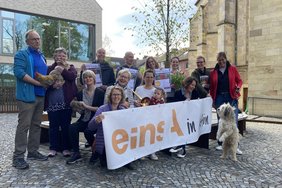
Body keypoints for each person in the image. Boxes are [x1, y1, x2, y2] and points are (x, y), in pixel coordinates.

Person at [12, 29, 48, 169]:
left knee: (36, 125)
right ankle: (18, 157)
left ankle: (33, 152)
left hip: (40, 95)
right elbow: (19, 72)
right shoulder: (22, 54)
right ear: (27, 41)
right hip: (27, 96)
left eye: (38, 38)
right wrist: (38, 83)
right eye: (34, 39)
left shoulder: (41, 55)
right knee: (24, 126)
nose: (37, 41)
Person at [88, 86, 134, 170]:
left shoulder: (123, 109)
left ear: (121, 96)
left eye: (118, 95)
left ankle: (126, 160)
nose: (116, 97)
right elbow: (90, 127)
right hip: (106, 142)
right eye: (114, 94)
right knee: (105, 164)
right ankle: (98, 154)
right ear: (110, 96)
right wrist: (96, 120)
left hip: (119, 141)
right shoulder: (102, 109)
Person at [66, 70, 105, 164]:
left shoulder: (100, 92)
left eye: (90, 77)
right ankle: (76, 152)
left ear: (94, 79)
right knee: (72, 127)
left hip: (95, 120)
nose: (88, 79)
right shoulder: (80, 93)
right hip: (84, 119)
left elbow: (101, 109)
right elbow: (75, 106)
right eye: (85, 77)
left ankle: (96, 151)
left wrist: (86, 106)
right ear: (83, 80)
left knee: (88, 132)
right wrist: (77, 106)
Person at [45, 47, 77, 157]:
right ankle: (53, 148)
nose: (61, 57)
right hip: (53, 102)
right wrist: (52, 85)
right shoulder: (49, 68)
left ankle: (65, 148)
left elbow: (72, 77)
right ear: (54, 57)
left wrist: (61, 69)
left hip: (66, 102)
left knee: (65, 126)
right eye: (58, 55)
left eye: (63, 56)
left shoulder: (70, 68)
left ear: (66, 57)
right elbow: (45, 83)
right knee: (53, 126)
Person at [209, 52, 243, 154]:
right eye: (219, 60)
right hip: (219, 97)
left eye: (223, 59)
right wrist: (213, 100)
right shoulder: (214, 72)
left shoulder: (232, 69)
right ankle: (221, 144)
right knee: (222, 122)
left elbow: (240, 81)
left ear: (226, 59)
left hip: (231, 96)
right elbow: (211, 88)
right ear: (217, 61)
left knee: (234, 121)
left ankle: (235, 146)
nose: (221, 62)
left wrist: (238, 87)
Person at [169, 77, 209, 157]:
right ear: (187, 84)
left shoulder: (195, 93)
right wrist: (184, 102)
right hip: (179, 117)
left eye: (194, 85)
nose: (193, 87)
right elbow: (175, 105)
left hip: (191, 117)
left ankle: (182, 148)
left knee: (186, 130)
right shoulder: (178, 93)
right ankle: (181, 148)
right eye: (192, 85)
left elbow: (198, 102)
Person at [134, 69, 159, 160]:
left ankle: (152, 152)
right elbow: (135, 101)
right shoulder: (138, 89)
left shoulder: (156, 90)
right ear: (144, 78)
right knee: (141, 134)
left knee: (152, 134)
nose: (149, 79)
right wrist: (136, 103)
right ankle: (141, 152)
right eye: (147, 77)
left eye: (151, 77)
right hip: (140, 114)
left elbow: (160, 102)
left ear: (154, 78)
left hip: (152, 115)